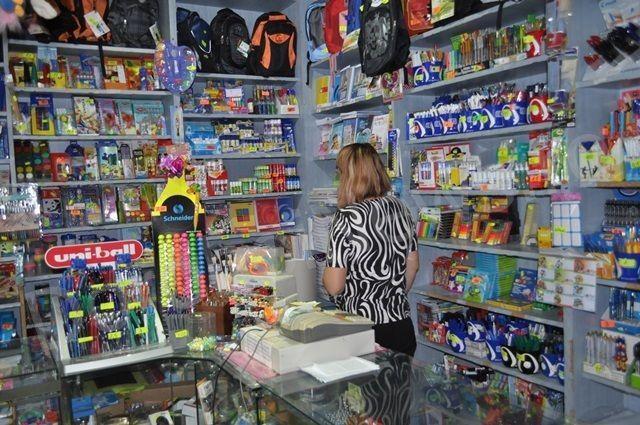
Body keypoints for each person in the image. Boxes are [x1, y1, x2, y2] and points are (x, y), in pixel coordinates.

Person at [323, 143, 420, 356]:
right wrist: (392, 296)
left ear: (349, 176)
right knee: (402, 377)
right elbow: (413, 265)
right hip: (400, 325)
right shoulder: (400, 208)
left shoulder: (346, 217)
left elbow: (334, 286)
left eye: (340, 172)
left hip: (361, 328)